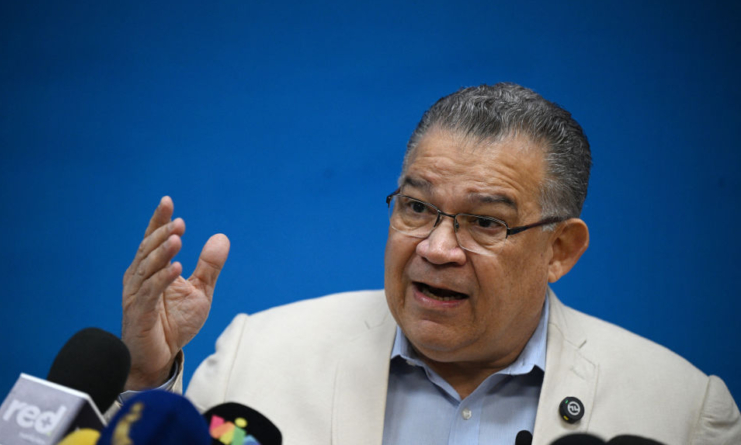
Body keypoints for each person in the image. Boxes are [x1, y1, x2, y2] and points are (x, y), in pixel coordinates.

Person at [117, 84, 740, 444]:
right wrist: (147, 377)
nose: (437, 248)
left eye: (486, 222)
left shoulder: (682, 411)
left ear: (560, 250)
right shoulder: (260, 354)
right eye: (417, 207)